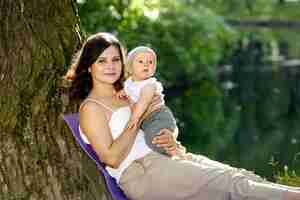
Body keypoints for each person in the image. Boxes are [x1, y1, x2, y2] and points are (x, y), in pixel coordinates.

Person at [65, 32, 300, 200]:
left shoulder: (127, 92)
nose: (111, 66)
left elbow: (153, 123)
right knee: (232, 185)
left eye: (115, 59)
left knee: (239, 175)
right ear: (88, 66)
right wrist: (138, 118)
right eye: (102, 61)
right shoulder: (91, 108)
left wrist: (169, 138)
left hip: (167, 157)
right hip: (142, 174)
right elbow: (112, 158)